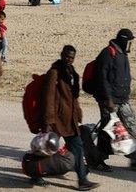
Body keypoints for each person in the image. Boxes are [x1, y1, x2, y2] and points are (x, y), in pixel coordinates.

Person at [89, 28, 136, 173]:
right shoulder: (107, 53)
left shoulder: (122, 54)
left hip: (122, 99)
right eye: (130, 42)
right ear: (124, 40)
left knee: (131, 127)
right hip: (109, 101)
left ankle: (135, 160)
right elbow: (101, 78)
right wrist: (108, 99)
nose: (131, 45)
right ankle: (98, 160)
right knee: (109, 132)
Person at [41, 45, 100, 190]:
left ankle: (82, 179)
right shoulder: (54, 72)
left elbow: (73, 98)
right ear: (61, 55)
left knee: (78, 148)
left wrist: (78, 113)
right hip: (56, 120)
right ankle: (35, 173)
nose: (69, 59)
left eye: (72, 57)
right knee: (45, 149)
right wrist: (49, 120)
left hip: (69, 120)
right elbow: (48, 97)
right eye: (67, 56)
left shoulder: (72, 72)